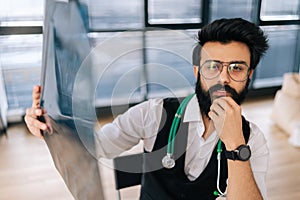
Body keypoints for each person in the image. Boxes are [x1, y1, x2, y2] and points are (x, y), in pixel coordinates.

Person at [24, 18, 269, 200]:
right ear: (197, 71)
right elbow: (97, 145)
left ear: (249, 75)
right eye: (213, 67)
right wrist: (51, 122)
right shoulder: (154, 114)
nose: (223, 79)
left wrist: (235, 144)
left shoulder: (253, 140)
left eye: (236, 68)